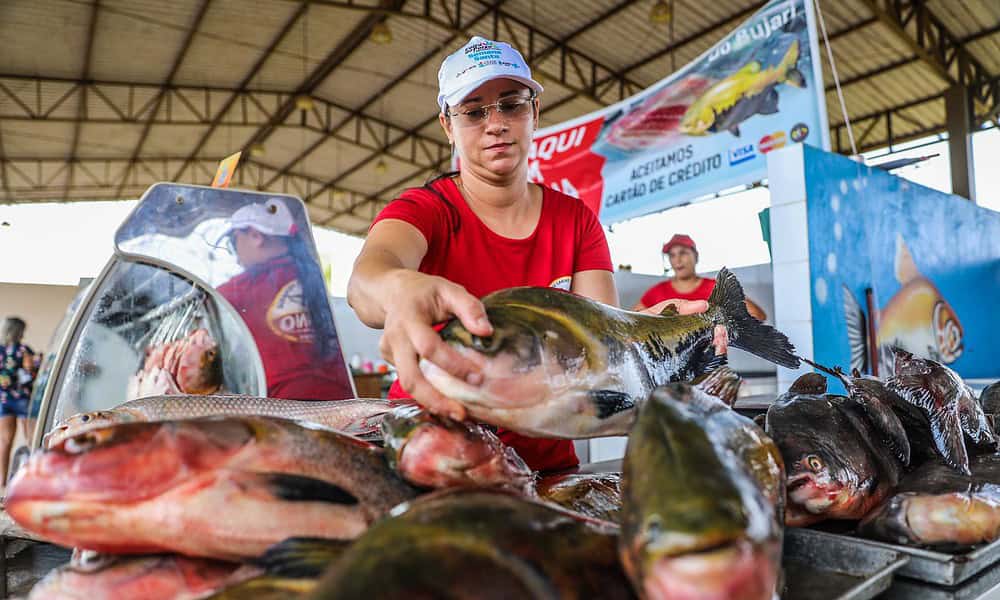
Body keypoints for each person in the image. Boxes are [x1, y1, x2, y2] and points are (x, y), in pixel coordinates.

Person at [347, 37, 710, 473]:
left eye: (511, 104)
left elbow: (600, 340)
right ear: (447, 125)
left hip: (547, 467)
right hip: (433, 456)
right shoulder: (425, 210)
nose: (495, 123)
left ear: (534, 112)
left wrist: (661, 324)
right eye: (474, 111)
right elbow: (368, 278)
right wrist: (397, 286)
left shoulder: (576, 221)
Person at [217, 198, 353, 401]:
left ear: (255, 236)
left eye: (234, 241)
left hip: (286, 407)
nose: (236, 254)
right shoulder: (311, 276)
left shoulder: (240, 289)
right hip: (341, 399)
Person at [633, 233, 767, 320]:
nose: (677, 260)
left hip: (709, 361)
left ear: (696, 256)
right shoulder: (657, 291)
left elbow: (758, 316)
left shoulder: (715, 287)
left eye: (683, 253)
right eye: (672, 255)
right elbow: (631, 319)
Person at [0, 317, 36, 487]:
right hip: (22, 398)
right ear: (18, 330)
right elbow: (31, 372)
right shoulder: (23, 349)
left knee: (5, 441)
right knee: (30, 439)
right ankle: (30, 478)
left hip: (4, 399)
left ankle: (2, 483)